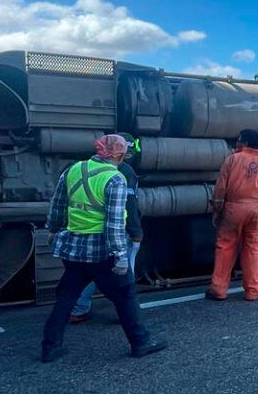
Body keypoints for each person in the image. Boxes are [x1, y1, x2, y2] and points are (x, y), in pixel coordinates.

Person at [41, 134, 166, 362]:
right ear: (118, 153)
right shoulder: (115, 179)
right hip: (101, 252)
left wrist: (52, 230)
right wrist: (119, 256)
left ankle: (50, 347)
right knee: (125, 295)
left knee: (67, 296)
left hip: (73, 249)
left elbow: (58, 204)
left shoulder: (74, 169)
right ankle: (141, 342)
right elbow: (114, 222)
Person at [206, 130, 258, 301]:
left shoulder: (232, 160)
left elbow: (220, 189)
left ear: (245, 143)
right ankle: (253, 290)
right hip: (257, 211)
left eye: (238, 141)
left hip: (233, 209)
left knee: (225, 247)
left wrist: (217, 210)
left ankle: (218, 290)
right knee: (252, 249)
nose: (236, 144)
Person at [70, 132, 143, 323]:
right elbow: (129, 205)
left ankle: (78, 308)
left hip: (91, 230)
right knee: (123, 275)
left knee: (91, 273)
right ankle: (129, 312)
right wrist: (136, 233)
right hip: (117, 232)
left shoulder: (82, 167)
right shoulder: (124, 173)